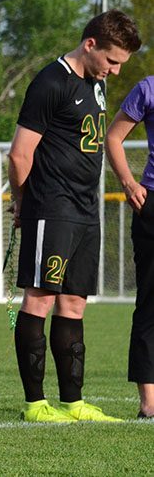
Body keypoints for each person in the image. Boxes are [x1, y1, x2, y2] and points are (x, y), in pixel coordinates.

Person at [9, 10, 141, 423]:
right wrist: (21, 202)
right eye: (112, 61)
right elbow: (19, 152)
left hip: (86, 210)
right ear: (90, 45)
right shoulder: (50, 81)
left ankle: (73, 402)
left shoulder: (95, 85)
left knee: (74, 304)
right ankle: (35, 404)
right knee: (41, 298)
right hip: (51, 207)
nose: (115, 71)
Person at [105, 76, 154, 420]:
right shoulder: (148, 88)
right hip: (152, 205)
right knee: (151, 303)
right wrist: (127, 181)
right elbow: (113, 137)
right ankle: (149, 402)